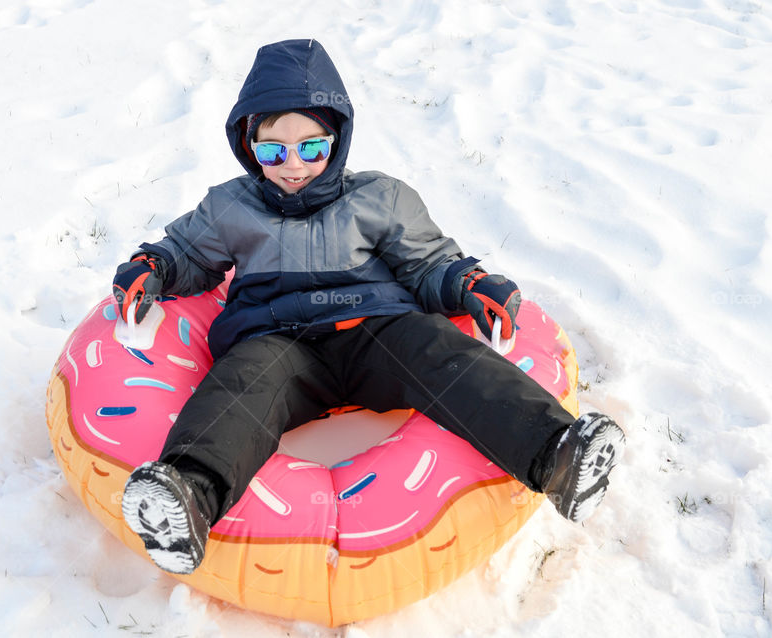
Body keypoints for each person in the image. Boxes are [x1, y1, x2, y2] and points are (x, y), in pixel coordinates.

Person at [111, 39, 625, 575]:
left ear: (338, 138)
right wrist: (155, 268)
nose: (293, 165)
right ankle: (188, 496)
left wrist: (468, 282)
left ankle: (556, 454)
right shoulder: (231, 205)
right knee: (242, 386)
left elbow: (427, 263)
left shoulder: (380, 196)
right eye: (273, 150)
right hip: (276, 340)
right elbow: (188, 253)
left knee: (442, 353)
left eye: (311, 147)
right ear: (249, 144)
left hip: (377, 331)